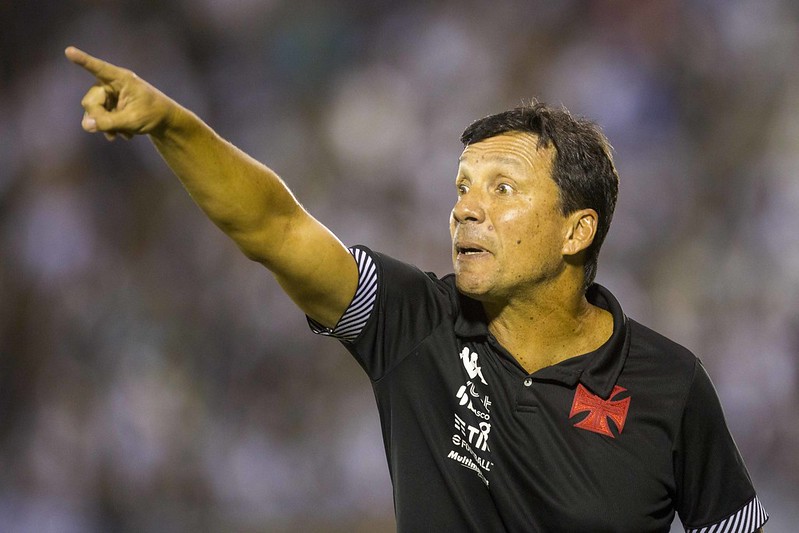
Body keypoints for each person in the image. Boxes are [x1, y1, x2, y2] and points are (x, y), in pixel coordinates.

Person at [65, 46, 768, 533]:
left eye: (502, 189)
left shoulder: (670, 384)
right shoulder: (414, 322)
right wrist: (171, 124)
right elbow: (274, 228)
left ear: (575, 230)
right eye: (461, 188)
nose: (465, 209)